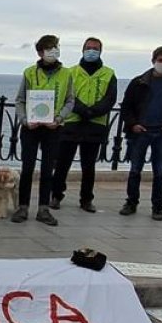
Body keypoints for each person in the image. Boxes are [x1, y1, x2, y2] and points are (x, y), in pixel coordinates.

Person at [120, 46, 162, 220]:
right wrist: (133, 124)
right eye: (161, 60)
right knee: (135, 170)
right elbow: (126, 106)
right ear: (153, 60)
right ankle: (131, 202)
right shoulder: (139, 82)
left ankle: (157, 206)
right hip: (141, 131)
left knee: (159, 172)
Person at [12, 34, 75, 225]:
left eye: (55, 47)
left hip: (53, 128)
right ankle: (22, 207)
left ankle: (43, 209)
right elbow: (20, 99)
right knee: (28, 168)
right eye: (49, 48)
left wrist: (58, 119)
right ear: (40, 52)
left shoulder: (66, 74)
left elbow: (70, 100)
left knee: (48, 169)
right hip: (31, 127)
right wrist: (24, 119)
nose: (53, 51)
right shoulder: (30, 72)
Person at [50, 37, 115, 213]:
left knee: (89, 166)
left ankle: (86, 199)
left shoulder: (109, 73)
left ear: (101, 51)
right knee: (62, 163)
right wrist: (82, 110)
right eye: (88, 48)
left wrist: (92, 111)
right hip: (72, 122)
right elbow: (66, 94)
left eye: (95, 48)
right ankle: (56, 195)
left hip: (95, 124)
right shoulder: (71, 72)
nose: (91, 51)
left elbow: (110, 99)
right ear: (82, 50)